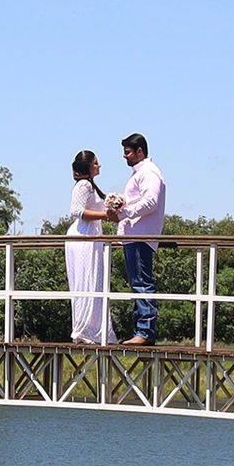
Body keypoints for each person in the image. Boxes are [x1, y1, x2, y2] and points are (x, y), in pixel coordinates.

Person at [107, 133, 166, 345]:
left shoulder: (149, 173)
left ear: (140, 151)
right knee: (138, 283)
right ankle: (141, 330)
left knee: (142, 283)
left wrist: (124, 212)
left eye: (128, 152)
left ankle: (145, 332)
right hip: (135, 235)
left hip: (141, 235)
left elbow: (151, 202)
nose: (125, 156)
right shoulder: (141, 173)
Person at [64, 150, 117, 345]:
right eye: (96, 163)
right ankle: (85, 329)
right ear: (87, 167)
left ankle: (92, 328)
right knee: (87, 279)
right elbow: (76, 210)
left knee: (93, 280)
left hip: (92, 235)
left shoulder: (91, 186)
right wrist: (105, 216)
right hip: (84, 235)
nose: (99, 165)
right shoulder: (84, 185)